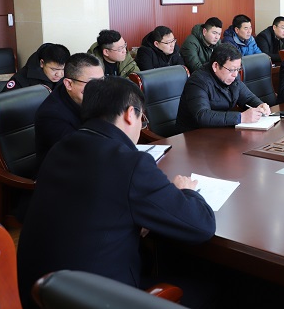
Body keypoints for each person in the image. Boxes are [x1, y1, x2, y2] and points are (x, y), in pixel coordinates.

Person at [17, 77, 215, 309]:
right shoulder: (131, 163)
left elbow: (92, 206)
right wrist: (186, 191)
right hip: (98, 300)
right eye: (142, 119)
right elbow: (201, 226)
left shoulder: (60, 148)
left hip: (41, 295)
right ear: (131, 114)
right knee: (213, 289)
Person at [175, 44, 270, 134]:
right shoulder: (198, 81)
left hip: (220, 131)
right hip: (194, 136)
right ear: (215, 66)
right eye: (232, 70)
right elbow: (202, 115)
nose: (235, 74)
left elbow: (248, 98)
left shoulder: (232, 77)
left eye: (238, 69)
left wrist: (260, 105)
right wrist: (241, 117)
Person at [34, 53, 104, 170]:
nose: (99, 89)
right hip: (61, 173)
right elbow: (81, 152)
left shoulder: (90, 98)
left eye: (102, 81)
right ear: (69, 84)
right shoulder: (51, 115)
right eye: (92, 83)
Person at [3, 43, 70, 92]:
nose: (59, 74)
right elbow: (5, 103)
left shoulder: (69, 74)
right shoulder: (21, 79)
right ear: (42, 63)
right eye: (54, 69)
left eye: (63, 69)